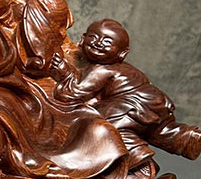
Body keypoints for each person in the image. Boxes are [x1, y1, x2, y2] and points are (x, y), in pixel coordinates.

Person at [53, 19, 201, 160]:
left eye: (107, 42)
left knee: (103, 128)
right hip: (156, 102)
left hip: (132, 104)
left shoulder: (101, 70)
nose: (98, 43)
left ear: (122, 53)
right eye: (94, 37)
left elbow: (73, 93)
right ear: (83, 38)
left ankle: (134, 155)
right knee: (159, 131)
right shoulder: (122, 67)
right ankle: (186, 139)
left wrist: (63, 72)